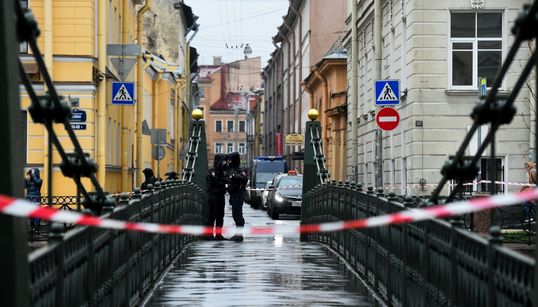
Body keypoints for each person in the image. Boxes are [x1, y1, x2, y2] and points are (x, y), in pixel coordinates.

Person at [226, 152, 248, 242]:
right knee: (235, 214)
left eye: (231, 159)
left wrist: (235, 176)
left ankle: (239, 235)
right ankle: (237, 234)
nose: (229, 161)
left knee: (238, 215)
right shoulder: (232, 168)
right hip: (233, 194)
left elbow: (244, 179)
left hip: (238, 194)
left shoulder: (239, 169)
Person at [206, 154, 228, 240]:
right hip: (213, 196)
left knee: (220, 215)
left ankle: (219, 234)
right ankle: (209, 234)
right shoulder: (211, 172)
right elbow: (213, 182)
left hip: (221, 195)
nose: (224, 163)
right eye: (223, 161)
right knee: (212, 215)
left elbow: (227, 180)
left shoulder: (223, 172)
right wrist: (220, 179)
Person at [25, 168, 42, 233]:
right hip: (29, 199)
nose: (30, 175)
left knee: (37, 215)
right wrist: (26, 180)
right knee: (31, 215)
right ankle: (32, 228)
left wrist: (33, 174)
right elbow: (24, 186)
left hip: (36, 198)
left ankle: (36, 229)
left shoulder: (39, 180)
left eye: (31, 174)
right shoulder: (29, 180)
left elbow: (37, 182)